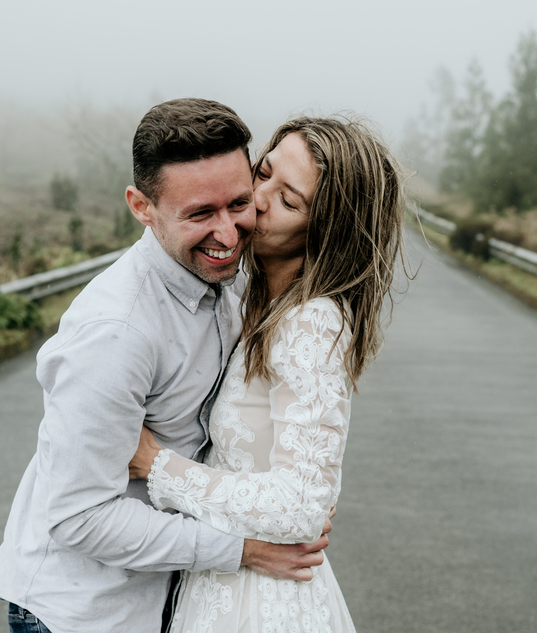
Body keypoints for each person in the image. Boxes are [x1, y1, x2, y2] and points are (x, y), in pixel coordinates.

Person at [0, 99, 331, 633]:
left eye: (238, 203)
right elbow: (79, 517)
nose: (229, 234)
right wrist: (244, 548)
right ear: (141, 207)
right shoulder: (115, 333)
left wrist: (286, 503)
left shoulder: (231, 276)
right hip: (84, 616)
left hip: (169, 600)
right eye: (200, 214)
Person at [128, 116, 405, 632]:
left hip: (260, 603)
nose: (256, 199)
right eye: (264, 172)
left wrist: (156, 466)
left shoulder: (312, 323)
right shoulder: (248, 297)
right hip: (223, 579)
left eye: (288, 201)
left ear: (325, 232)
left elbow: (301, 506)